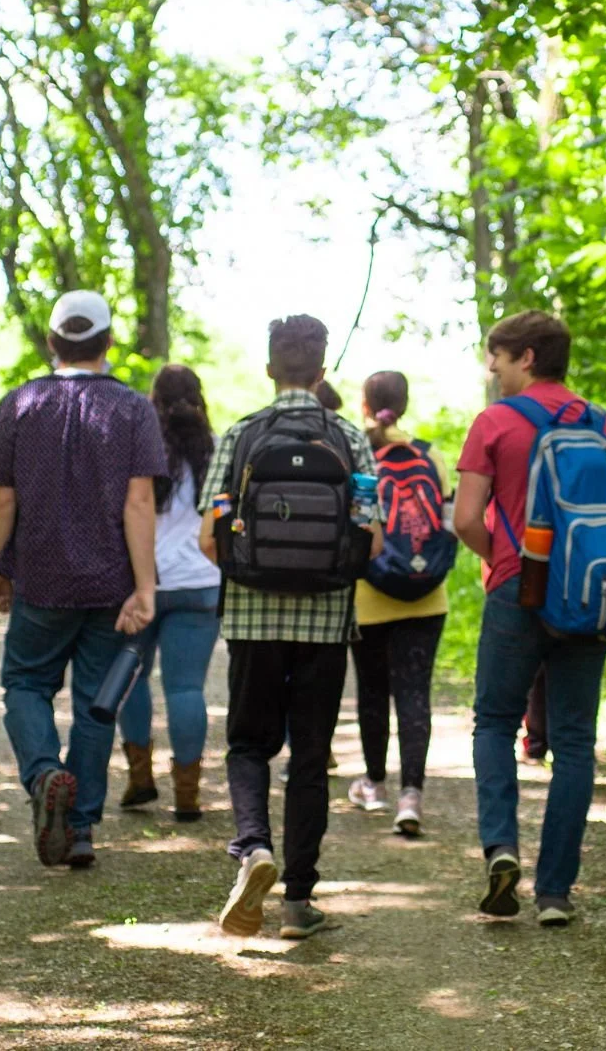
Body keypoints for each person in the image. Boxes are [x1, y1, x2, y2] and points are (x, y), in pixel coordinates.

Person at [456, 310, 606, 927]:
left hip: (518, 590)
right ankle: (556, 893)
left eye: (499, 355)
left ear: (528, 358)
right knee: (573, 743)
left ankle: (502, 848)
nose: (493, 366)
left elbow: (464, 520)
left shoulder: (495, 423)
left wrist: (504, 565)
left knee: (493, 722)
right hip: (589, 596)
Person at [197, 315, 377, 940]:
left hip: (251, 615)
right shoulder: (351, 440)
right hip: (327, 621)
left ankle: (253, 849)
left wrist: (250, 565)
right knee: (308, 756)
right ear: (322, 371)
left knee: (248, 743)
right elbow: (371, 536)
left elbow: (207, 538)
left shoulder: (242, 436)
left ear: (270, 368)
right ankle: (298, 902)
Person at [0, 291, 166, 870]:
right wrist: (144, 586)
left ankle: (43, 775)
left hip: (40, 577)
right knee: (93, 704)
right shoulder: (133, 409)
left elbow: (4, 498)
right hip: (109, 584)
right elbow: (139, 502)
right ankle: (80, 828)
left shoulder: (21, 402)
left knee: (26, 684)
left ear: (53, 343)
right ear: (107, 343)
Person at [114, 364, 223, 822]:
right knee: (185, 688)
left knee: (132, 679)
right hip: (201, 582)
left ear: (153, 400)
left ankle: (140, 779)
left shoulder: (139, 446)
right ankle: (188, 795)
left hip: (144, 579)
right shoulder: (216, 450)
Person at [345, 370, 449, 838]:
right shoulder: (432, 456)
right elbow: (445, 523)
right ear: (404, 404)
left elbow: (357, 531)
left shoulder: (360, 460)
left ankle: (375, 785)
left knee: (372, 692)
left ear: (365, 405)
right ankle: (412, 795)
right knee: (415, 694)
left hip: (371, 596)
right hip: (427, 595)